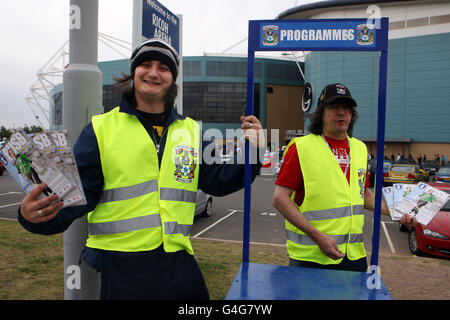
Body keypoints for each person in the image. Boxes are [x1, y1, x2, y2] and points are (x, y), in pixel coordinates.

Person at [18, 39, 263, 300]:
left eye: (164, 67)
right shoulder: (101, 129)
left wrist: (254, 150)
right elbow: (77, 196)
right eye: (145, 65)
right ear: (133, 74)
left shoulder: (191, 131)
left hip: (178, 263)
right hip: (123, 268)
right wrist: (33, 217)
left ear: (173, 79)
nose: (154, 72)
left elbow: (218, 181)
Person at [272, 83, 415, 272]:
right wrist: (318, 236)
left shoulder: (360, 148)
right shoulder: (301, 147)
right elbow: (279, 199)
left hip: (353, 255)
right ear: (321, 113)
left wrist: (398, 211)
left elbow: (363, 195)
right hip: (311, 257)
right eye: (334, 107)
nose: (341, 113)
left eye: (346, 108)